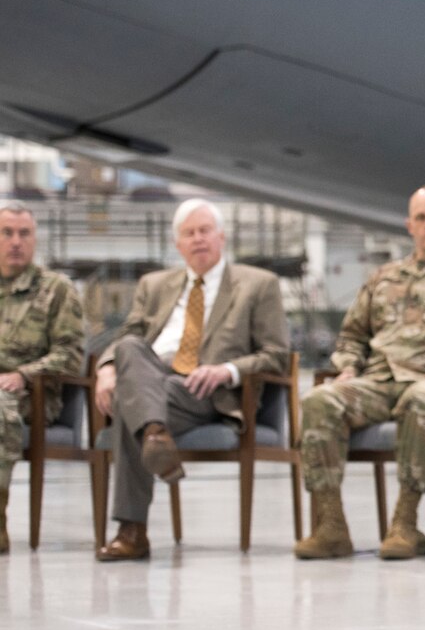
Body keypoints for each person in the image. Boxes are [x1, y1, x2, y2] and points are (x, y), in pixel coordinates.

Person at [294, 186, 425, 560]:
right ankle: (331, 526)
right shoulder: (383, 278)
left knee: (422, 399)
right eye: (422, 218)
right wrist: (347, 368)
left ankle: (405, 523)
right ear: (409, 225)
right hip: (378, 381)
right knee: (319, 401)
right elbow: (351, 337)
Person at [94, 199, 289, 561]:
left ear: (222, 237)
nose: (198, 239)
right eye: (189, 233)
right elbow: (127, 339)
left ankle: (132, 531)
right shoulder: (154, 284)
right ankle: (155, 434)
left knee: (127, 403)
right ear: (178, 244)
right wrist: (105, 368)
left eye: (205, 231)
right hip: (153, 377)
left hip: (206, 391)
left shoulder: (258, 285)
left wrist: (226, 371)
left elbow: (276, 354)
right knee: (131, 348)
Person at [0, 204, 85, 553]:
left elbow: (71, 354)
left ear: (35, 239)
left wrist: (24, 374)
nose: (16, 242)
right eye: (7, 233)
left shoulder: (56, 289)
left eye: (24, 233)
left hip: (33, 395)